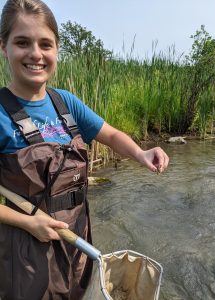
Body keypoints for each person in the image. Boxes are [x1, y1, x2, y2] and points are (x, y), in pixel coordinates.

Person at [0, 0, 169, 299]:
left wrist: (140, 154)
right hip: (25, 251)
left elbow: (112, 134)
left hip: (77, 240)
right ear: (4, 47)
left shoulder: (65, 102)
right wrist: (29, 222)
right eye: (22, 42)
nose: (36, 54)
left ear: (57, 50)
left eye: (46, 44)